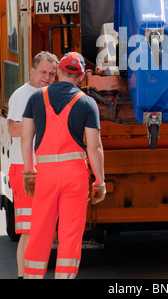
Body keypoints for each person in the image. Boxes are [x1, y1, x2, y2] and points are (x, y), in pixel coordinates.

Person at [21, 51, 106, 279]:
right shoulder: (87, 104)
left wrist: (29, 171)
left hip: (45, 175)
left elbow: (26, 137)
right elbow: (94, 147)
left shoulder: (36, 98)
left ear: (58, 72)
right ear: (80, 77)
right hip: (74, 177)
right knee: (70, 233)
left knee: (40, 231)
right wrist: (100, 181)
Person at [7, 51, 59, 279]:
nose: (47, 77)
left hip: (44, 169)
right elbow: (13, 129)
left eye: (52, 73)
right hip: (24, 169)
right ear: (32, 70)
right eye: (43, 72)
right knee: (29, 230)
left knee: (40, 230)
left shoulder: (49, 95)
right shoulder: (23, 95)